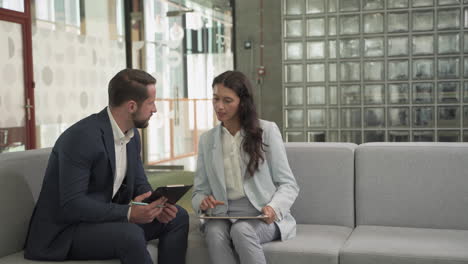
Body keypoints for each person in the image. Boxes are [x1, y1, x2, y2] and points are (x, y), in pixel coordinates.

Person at [24, 69, 189, 264]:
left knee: (178, 217)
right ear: (131, 106)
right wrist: (128, 213)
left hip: (103, 221)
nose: (154, 110)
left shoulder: (132, 135)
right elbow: (73, 204)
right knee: (130, 234)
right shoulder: (81, 138)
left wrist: (155, 205)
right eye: (151, 103)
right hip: (67, 231)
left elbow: (139, 183)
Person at [192, 70, 299, 264]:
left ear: (243, 102)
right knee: (214, 233)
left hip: (261, 214)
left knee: (242, 230)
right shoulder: (207, 140)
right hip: (222, 215)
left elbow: (288, 184)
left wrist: (273, 208)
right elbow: (199, 192)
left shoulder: (267, 131)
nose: (219, 106)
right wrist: (203, 202)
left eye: (227, 100)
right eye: (215, 99)